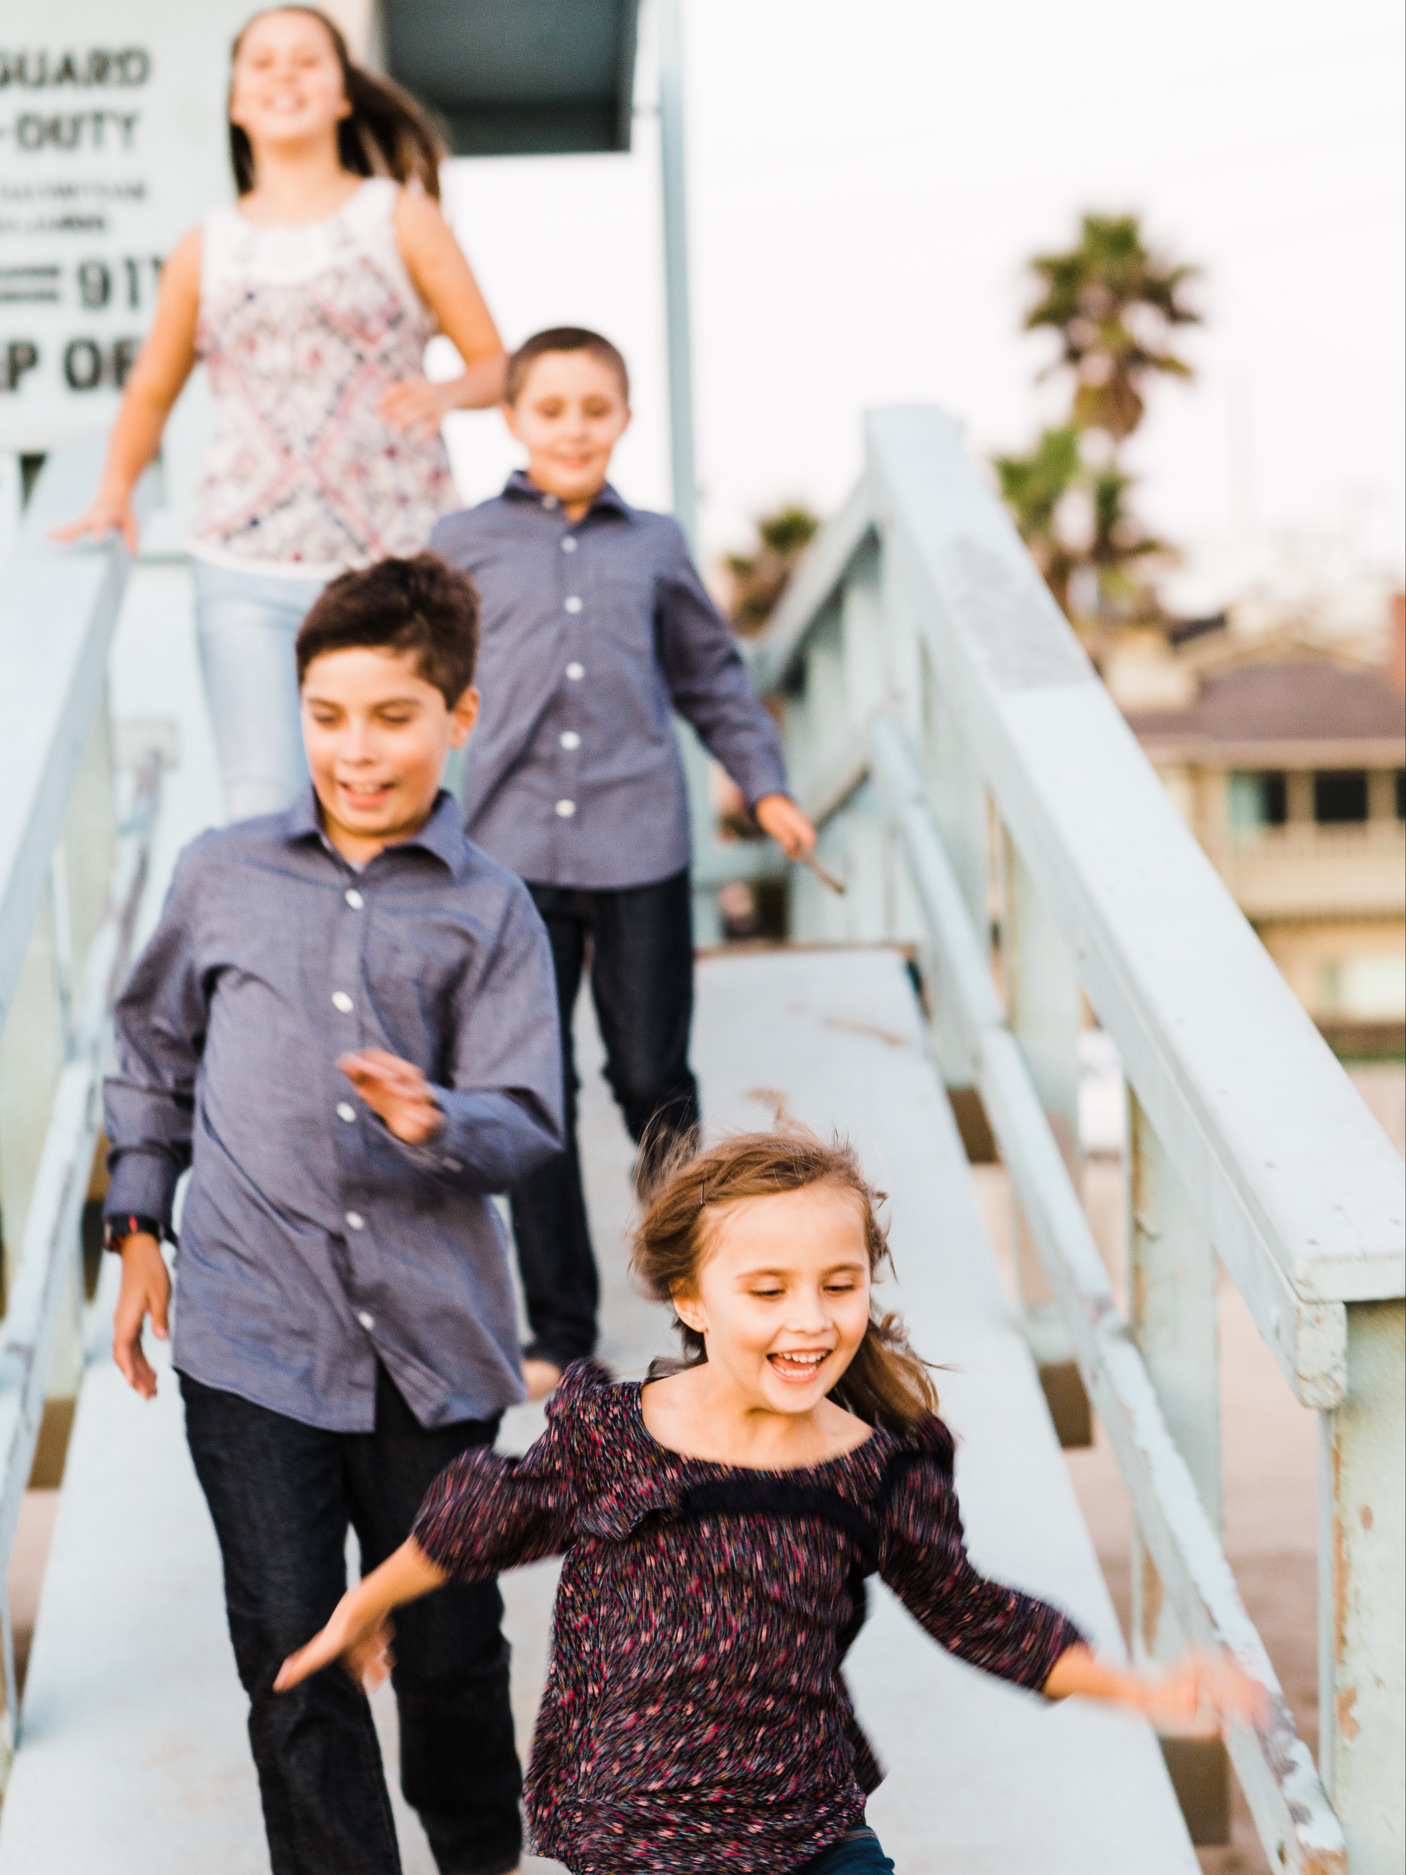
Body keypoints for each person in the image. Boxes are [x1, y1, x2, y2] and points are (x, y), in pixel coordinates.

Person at [277, 1126, 1261, 1873]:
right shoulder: (612, 1435)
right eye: (766, 1290)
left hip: (808, 1829)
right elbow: (479, 1520)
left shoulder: (876, 1469)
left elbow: (976, 1614)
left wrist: (1140, 1689)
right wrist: (369, 1602)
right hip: (636, 1832)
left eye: (837, 1286)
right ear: (693, 1300)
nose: (808, 1320)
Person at [102, 554, 564, 1875]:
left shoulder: (492, 910)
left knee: (451, 1656)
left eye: (391, 716)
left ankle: (479, 1854)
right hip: (250, 1336)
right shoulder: (220, 874)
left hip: (434, 1349)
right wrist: (140, 1230)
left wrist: (438, 1117)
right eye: (326, 713)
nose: (354, 749)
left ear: (459, 716)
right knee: (294, 1653)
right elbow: (149, 1055)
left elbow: (528, 1112)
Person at [431, 328, 818, 1395]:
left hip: (637, 838)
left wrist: (767, 784)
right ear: (512, 418)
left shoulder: (652, 543)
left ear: (624, 419)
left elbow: (710, 677)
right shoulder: (459, 540)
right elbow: (418, 673)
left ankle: (696, 1301)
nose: (571, 428)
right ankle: (558, 1330)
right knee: (531, 1088)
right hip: (504, 852)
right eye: (549, 408)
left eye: (593, 409)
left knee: (652, 1074)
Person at [56, 6, 508, 824]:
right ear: (235, 100)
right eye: (263, 64)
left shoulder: (397, 215)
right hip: (244, 562)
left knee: (407, 802)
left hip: (397, 556)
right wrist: (113, 489)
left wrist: (443, 393)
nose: (285, 76)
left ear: (342, 93)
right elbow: (152, 390)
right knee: (263, 805)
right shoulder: (207, 246)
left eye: (308, 60)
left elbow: (494, 364)